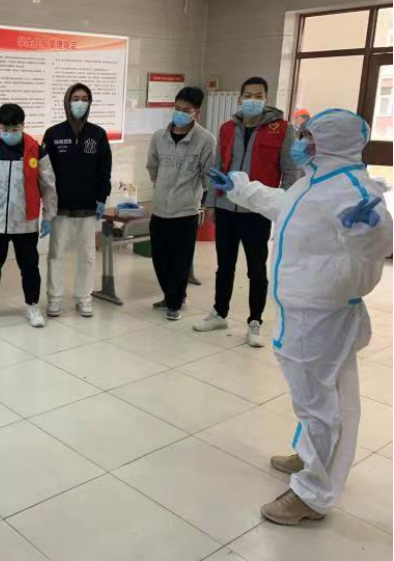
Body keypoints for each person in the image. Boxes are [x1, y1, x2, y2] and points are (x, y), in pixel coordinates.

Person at [208, 109, 392, 526]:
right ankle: (312, 457)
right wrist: (240, 187)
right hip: (307, 306)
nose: (300, 142)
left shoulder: (353, 189)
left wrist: (367, 232)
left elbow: (379, 239)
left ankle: (312, 494)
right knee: (320, 395)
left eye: (308, 136)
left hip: (322, 312)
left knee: (318, 401)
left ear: (330, 141)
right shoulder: (317, 179)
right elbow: (283, 204)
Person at [197, 76, 298, 345]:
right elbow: (218, 166)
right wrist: (211, 202)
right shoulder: (228, 128)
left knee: (256, 269)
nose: (253, 100)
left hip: (258, 210)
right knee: (224, 266)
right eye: (248, 95)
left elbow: (290, 172)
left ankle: (255, 321)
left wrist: (285, 207)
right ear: (240, 98)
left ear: (266, 98)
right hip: (226, 208)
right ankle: (219, 313)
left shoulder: (282, 129)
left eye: (258, 95)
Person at [0, 103, 57, 327]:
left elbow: (48, 185)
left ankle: (33, 306)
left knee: (29, 266)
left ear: (22, 126)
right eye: (5, 129)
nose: (9, 133)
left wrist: (48, 216)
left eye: (14, 129)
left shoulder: (36, 151)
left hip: (25, 222)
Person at [146, 87, 215, 321]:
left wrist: (191, 194)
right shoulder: (159, 137)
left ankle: (175, 302)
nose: (180, 113)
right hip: (159, 208)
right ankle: (171, 296)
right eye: (177, 108)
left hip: (185, 211)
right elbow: (152, 166)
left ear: (196, 112)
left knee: (180, 259)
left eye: (186, 110)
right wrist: (161, 186)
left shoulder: (205, 140)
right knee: (160, 257)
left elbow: (207, 176)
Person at [43, 82, 112, 318]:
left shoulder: (98, 134)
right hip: (60, 206)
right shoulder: (53, 134)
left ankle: (84, 298)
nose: (80, 103)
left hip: (88, 206)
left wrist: (102, 197)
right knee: (56, 254)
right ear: (67, 101)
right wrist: (47, 204)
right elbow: (45, 172)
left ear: (89, 103)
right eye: (75, 98)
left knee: (88, 254)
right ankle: (55, 298)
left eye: (84, 99)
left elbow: (105, 170)